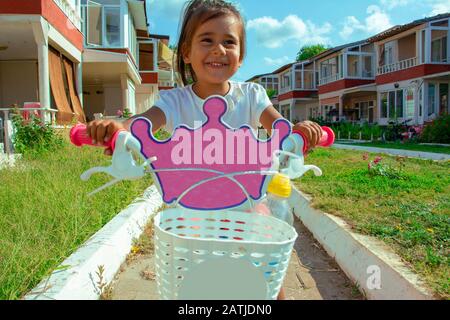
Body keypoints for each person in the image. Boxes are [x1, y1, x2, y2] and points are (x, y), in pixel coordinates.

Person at [86, 0, 323, 299]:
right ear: (186, 52)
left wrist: (301, 134)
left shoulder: (251, 95)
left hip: (246, 208)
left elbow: (281, 128)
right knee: (188, 285)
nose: (218, 49)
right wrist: (116, 128)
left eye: (229, 42)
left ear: (241, 56)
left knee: (266, 276)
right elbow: (139, 125)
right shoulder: (175, 101)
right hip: (190, 214)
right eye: (207, 40)